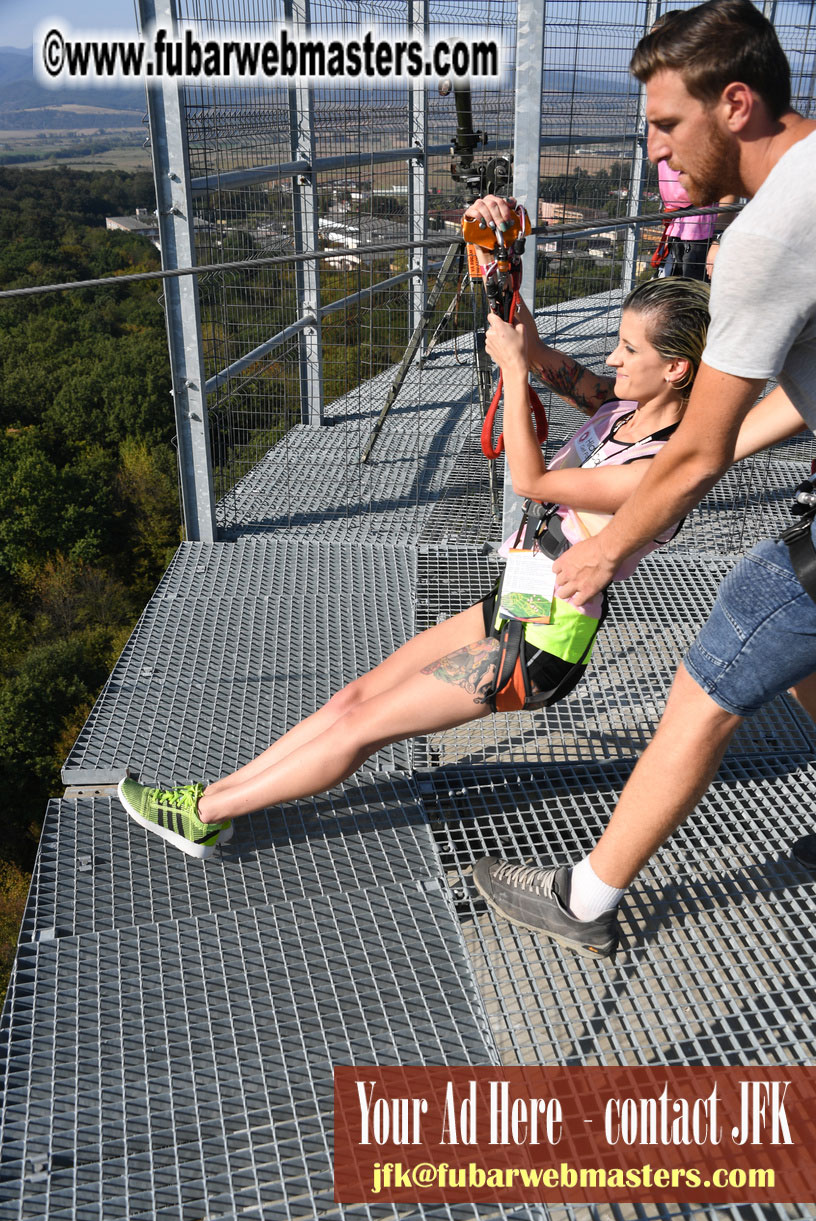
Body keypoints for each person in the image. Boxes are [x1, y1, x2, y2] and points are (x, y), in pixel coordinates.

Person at [118, 274, 715, 864]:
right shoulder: (618, 412)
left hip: (539, 645)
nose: (612, 357)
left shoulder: (659, 470)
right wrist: (503, 262)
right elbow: (532, 349)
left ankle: (203, 816)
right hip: (518, 602)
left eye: (630, 348)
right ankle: (210, 796)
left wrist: (511, 372)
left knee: (364, 728)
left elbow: (531, 479)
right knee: (351, 701)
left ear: (676, 369)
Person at [471, 0, 816, 960]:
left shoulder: (768, 237)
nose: (655, 145)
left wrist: (607, 554)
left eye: (667, 122)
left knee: (710, 683)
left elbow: (696, 454)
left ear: (736, 104)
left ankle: (584, 896)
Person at [650, 10, 737, 280]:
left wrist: (718, 238)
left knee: (690, 297)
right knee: (677, 292)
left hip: (701, 226)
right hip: (679, 223)